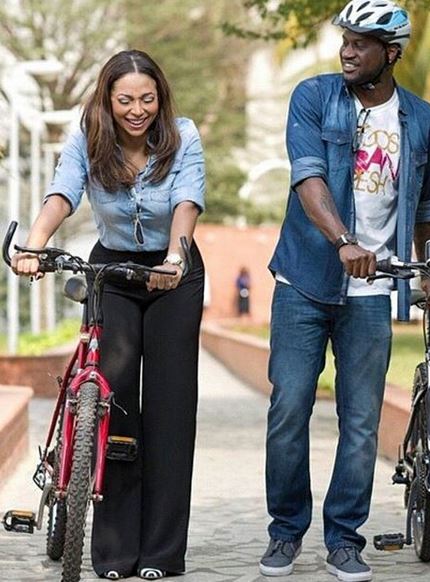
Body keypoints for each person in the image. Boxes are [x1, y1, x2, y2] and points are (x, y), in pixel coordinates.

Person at [259, 1, 430, 581]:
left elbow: (428, 207)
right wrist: (343, 240)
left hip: (374, 291)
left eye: (362, 43)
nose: (347, 51)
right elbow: (309, 178)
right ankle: (286, 532)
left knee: (360, 420)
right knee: (289, 406)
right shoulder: (313, 98)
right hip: (306, 281)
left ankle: (344, 538)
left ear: (391, 53)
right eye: (345, 40)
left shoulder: (424, 120)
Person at [11, 50, 205, 580]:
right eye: (125, 100)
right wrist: (33, 244)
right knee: (112, 400)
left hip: (174, 271)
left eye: (147, 99)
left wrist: (175, 256)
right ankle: (114, 552)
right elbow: (62, 193)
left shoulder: (183, 135)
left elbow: (187, 200)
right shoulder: (86, 139)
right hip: (112, 271)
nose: (137, 110)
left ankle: (162, 553)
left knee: (169, 410)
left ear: (160, 98)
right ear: (108, 99)